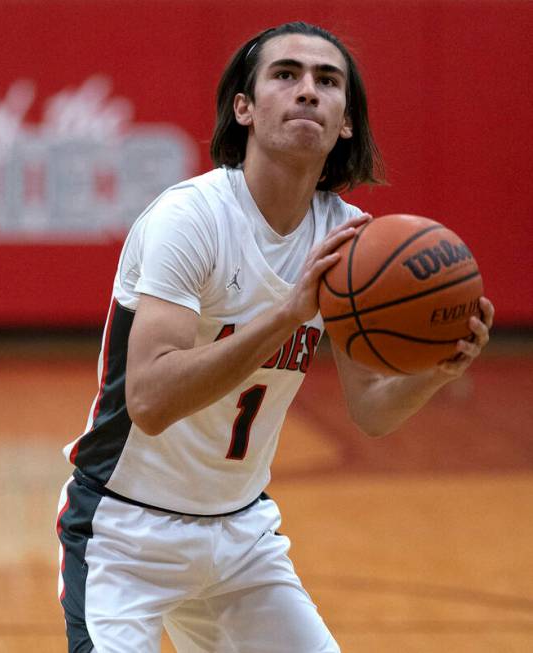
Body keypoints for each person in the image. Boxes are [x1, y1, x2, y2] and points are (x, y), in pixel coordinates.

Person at [55, 21, 494, 653]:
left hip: (242, 539)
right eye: (285, 75)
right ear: (245, 109)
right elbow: (149, 403)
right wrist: (288, 314)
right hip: (124, 533)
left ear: (346, 121)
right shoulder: (191, 217)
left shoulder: (354, 242)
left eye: (327, 80)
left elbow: (370, 409)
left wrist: (438, 370)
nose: (308, 91)